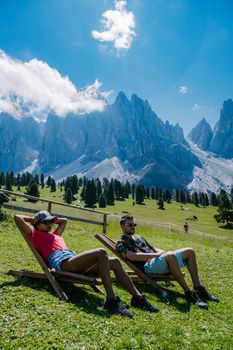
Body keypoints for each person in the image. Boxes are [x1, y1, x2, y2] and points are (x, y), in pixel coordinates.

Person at [14, 211, 159, 318]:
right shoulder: (34, 234)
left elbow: (64, 220)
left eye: (50, 222)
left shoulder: (56, 235)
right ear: (37, 224)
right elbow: (17, 217)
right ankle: (111, 300)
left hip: (74, 260)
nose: (50, 224)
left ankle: (137, 298)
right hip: (63, 263)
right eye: (46, 222)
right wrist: (34, 220)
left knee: (114, 262)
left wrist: (50, 219)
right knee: (101, 252)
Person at [116, 215, 219, 309]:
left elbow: (153, 248)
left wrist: (163, 253)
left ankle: (198, 288)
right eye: (130, 225)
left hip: (158, 261)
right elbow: (133, 257)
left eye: (134, 224)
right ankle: (189, 293)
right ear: (122, 226)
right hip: (148, 266)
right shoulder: (121, 243)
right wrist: (158, 255)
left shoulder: (139, 238)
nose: (133, 227)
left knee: (189, 251)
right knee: (170, 255)